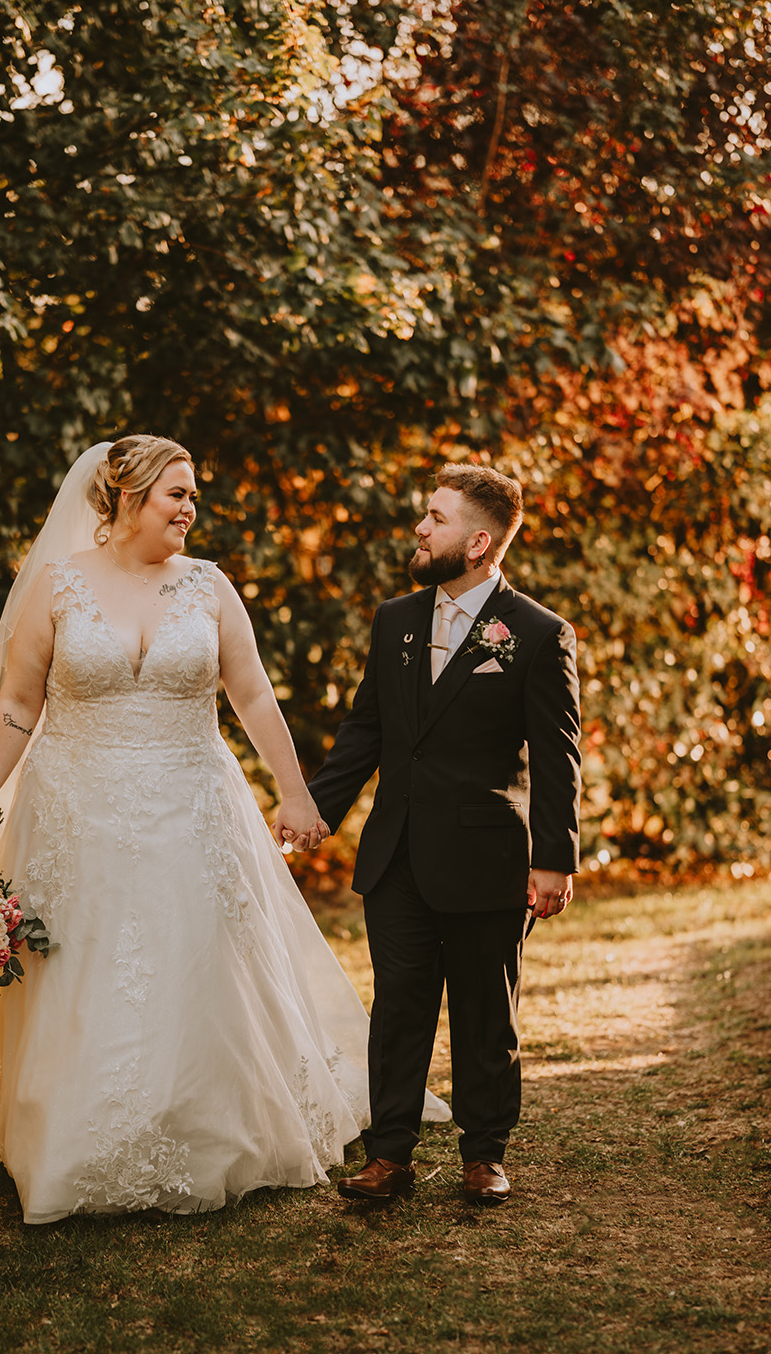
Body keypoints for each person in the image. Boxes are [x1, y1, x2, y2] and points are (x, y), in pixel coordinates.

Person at [0, 434, 449, 1223]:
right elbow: (17, 705)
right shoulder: (56, 583)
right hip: (78, 807)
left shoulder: (209, 586)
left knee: (198, 961)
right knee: (85, 966)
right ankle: (72, 1136)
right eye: (175, 494)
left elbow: (251, 695)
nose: (190, 508)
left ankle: (210, 1123)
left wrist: (293, 792)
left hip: (193, 802)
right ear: (126, 498)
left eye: (192, 494)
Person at [297, 463, 581, 1206]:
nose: (420, 528)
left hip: (489, 857)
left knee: (488, 1011)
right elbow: (367, 730)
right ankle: (389, 1154)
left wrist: (555, 857)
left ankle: (484, 1152)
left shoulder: (538, 634)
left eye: (436, 517)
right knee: (398, 1007)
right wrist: (314, 810)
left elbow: (558, 756)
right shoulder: (396, 618)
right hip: (396, 855)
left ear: (480, 542)